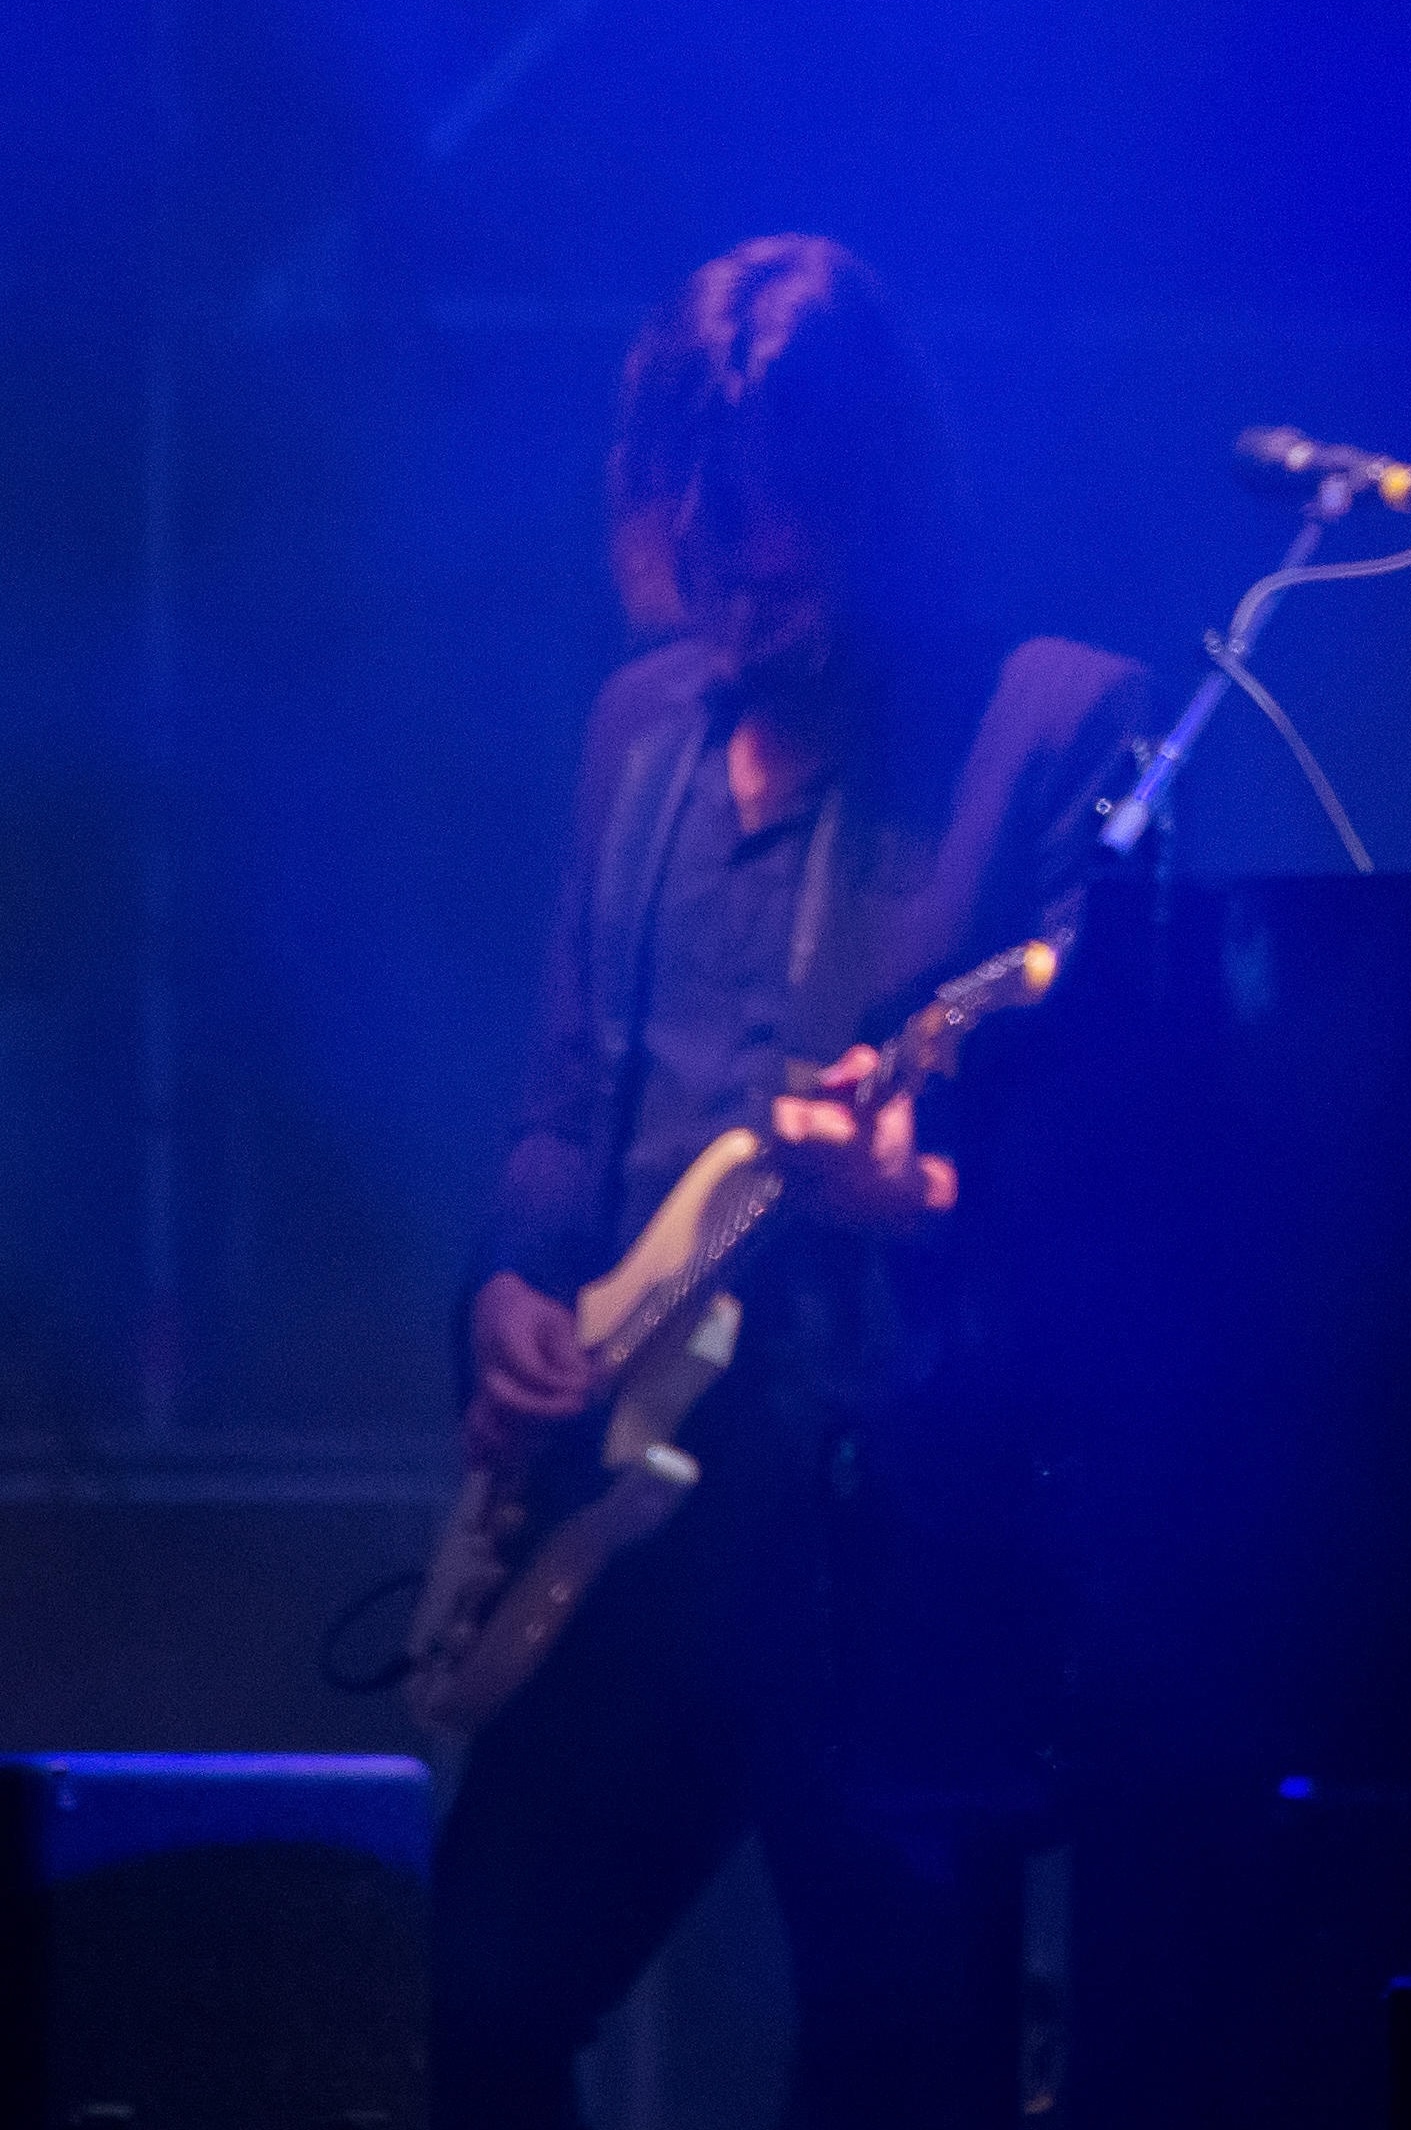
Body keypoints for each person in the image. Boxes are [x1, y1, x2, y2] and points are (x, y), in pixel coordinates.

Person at [428, 234, 1150, 2124]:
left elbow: (1143, 1187)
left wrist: (927, 1204)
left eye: (777, 541)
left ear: (873, 505)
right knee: (466, 2004)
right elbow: (560, 1107)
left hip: (885, 1538)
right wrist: (508, 1290)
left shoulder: (1050, 729)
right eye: (696, 532)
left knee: (897, 2066)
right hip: (625, 1526)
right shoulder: (634, 733)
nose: (733, 591)